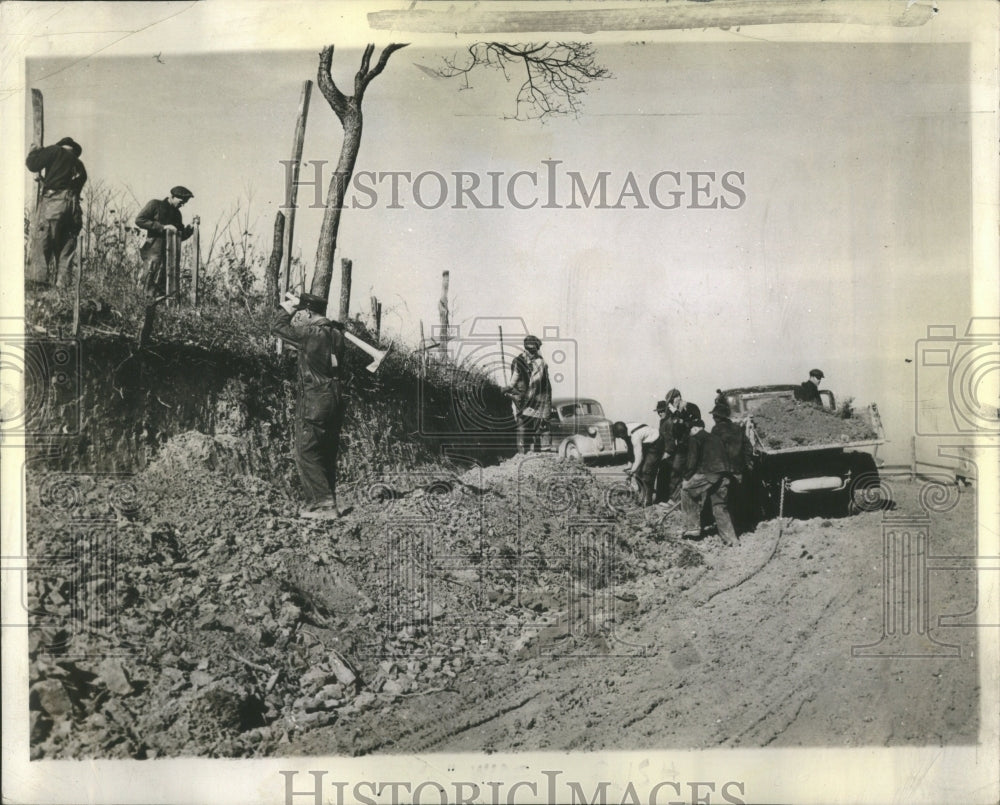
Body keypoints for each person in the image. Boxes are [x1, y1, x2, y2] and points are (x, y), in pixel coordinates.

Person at [271, 292, 347, 519]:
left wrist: (288, 308)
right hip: (336, 399)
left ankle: (323, 505)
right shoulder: (336, 334)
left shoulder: (311, 334)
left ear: (307, 312)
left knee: (306, 451)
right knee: (326, 451)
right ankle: (328, 501)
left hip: (315, 399)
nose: (299, 318)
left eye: (301, 313)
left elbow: (277, 327)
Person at [25, 136, 87, 288]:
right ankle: (62, 291)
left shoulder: (55, 151)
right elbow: (67, 186)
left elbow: (33, 165)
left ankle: (37, 287)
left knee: (43, 243)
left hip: (53, 205)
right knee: (66, 249)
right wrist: (45, 182)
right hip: (73, 210)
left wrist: (33, 153)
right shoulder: (79, 165)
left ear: (62, 145)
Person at [680, 418, 736, 546]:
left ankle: (692, 527)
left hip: (709, 473)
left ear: (695, 428)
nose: (690, 433)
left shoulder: (695, 438)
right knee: (719, 506)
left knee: (686, 490)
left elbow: (692, 462)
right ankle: (731, 540)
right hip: (724, 473)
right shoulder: (715, 438)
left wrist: (686, 478)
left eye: (690, 430)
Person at [135, 186, 195, 299]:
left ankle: (161, 308)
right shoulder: (155, 204)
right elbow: (139, 220)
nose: (183, 205)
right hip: (153, 250)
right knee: (149, 279)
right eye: (181, 201)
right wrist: (162, 227)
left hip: (170, 255)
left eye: (185, 202)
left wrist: (190, 228)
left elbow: (180, 236)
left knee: (165, 282)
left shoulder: (177, 214)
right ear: (172, 196)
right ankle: (144, 305)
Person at [505, 335, 552, 454]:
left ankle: (540, 452)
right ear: (525, 348)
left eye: (533, 351)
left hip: (540, 395)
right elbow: (514, 378)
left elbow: (535, 384)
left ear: (536, 350)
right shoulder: (518, 360)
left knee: (541, 424)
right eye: (528, 350)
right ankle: (521, 452)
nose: (531, 353)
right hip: (523, 394)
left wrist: (524, 399)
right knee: (521, 422)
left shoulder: (540, 363)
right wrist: (509, 389)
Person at [710, 401, 747, 533]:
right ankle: (743, 525)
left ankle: (732, 530)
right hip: (739, 469)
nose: (713, 419)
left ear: (718, 417)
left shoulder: (716, 430)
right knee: (738, 497)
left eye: (714, 416)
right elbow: (747, 448)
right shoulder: (738, 428)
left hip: (725, 471)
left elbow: (713, 451)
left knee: (722, 501)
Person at [612, 420, 664, 508]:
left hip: (656, 442)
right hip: (645, 443)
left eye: (621, 437)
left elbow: (639, 456)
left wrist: (633, 470)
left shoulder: (635, 436)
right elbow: (630, 449)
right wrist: (629, 466)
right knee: (638, 472)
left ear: (624, 432)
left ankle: (648, 500)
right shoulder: (626, 430)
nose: (621, 438)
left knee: (646, 471)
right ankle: (641, 494)